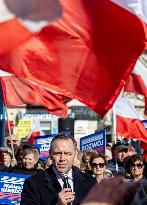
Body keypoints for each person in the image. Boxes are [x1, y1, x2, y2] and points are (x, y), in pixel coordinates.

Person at [21, 134, 96, 205]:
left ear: (75, 154)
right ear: (50, 154)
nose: (62, 158)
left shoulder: (90, 182)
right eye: (58, 153)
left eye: (67, 153)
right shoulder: (33, 183)